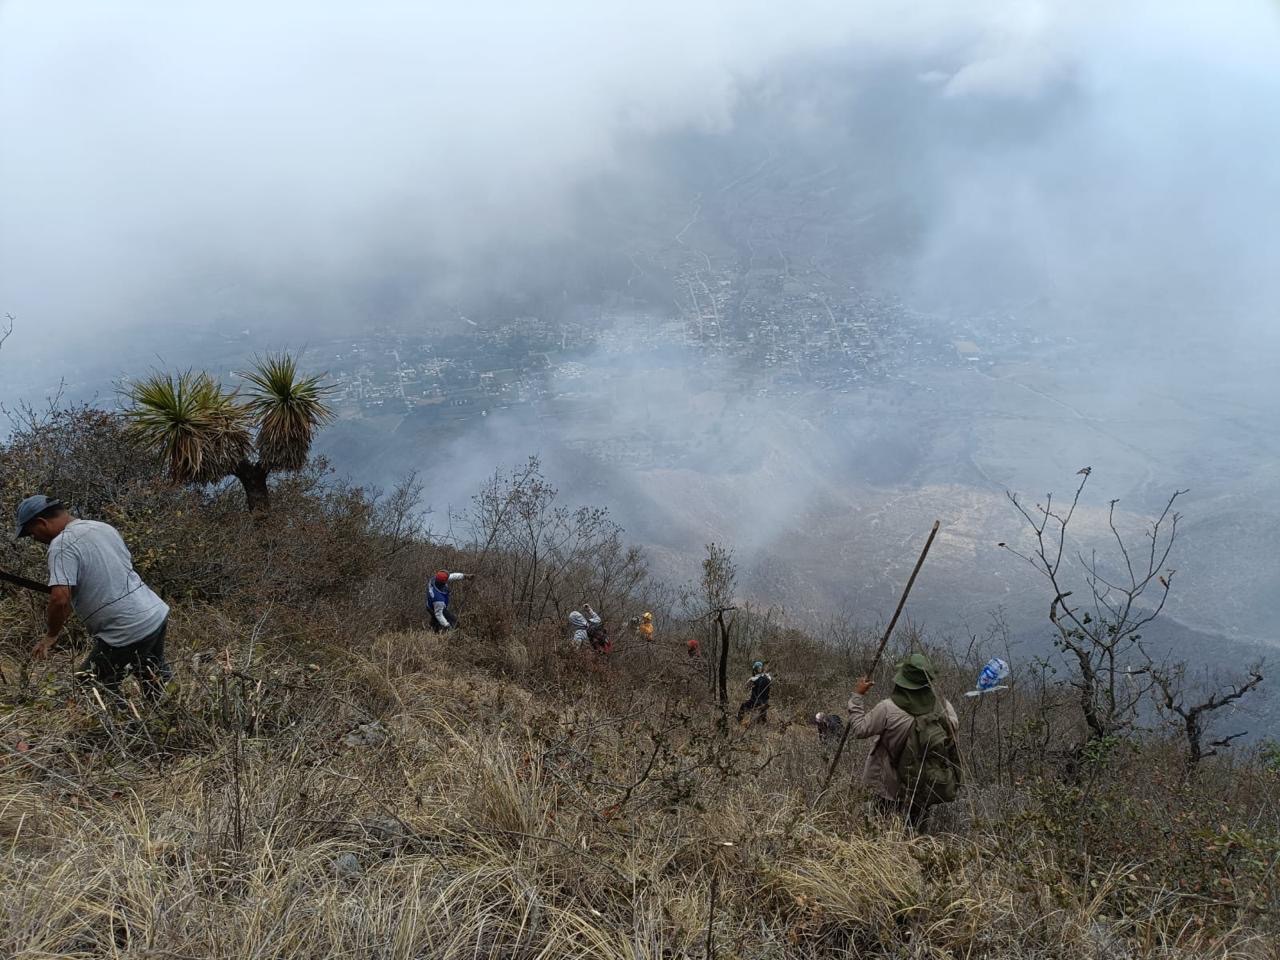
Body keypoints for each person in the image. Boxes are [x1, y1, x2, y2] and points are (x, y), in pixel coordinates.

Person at [15, 495, 171, 699]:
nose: (34, 538)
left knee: (91, 689)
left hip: (126, 629)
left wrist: (51, 635)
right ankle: (170, 721)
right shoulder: (101, 527)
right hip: (154, 614)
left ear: (40, 523)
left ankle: (121, 728)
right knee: (153, 677)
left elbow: (60, 599)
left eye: (30, 533)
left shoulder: (62, 545)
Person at [847, 652, 961, 822]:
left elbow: (860, 729)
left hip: (888, 787)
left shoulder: (888, 709)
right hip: (922, 786)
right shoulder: (943, 707)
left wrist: (857, 697)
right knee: (915, 834)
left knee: (881, 827)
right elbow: (951, 736)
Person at [737, 659, 772, 724]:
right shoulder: (769, 678)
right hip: (765, 703)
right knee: (762, 717)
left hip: (755, 702)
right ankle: (762, 722)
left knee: (743, 706)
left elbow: (746, 688)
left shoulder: (753, 679)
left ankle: (739, 722)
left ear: (755, 670)